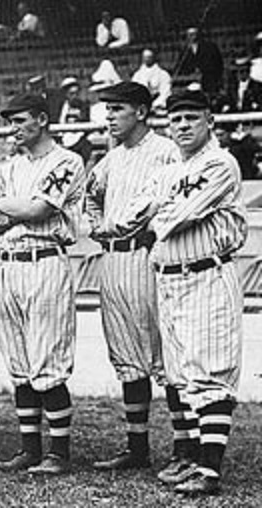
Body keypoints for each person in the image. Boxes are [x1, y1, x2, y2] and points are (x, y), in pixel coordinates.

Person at [143, 90, 246, 495]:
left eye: (191, 118)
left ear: (210, 122)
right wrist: (152, 211)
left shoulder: (220, 163)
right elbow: (135, 213)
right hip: (169, 276)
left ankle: (209, 469)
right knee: (181, 373)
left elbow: (171, 218)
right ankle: (193, 460)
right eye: (176, 120)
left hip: (206, 272)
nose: (183, 126)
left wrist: (154, 211)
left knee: (210, 370)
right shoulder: (169, 169)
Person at [0, 94, 87, 475]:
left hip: (44, 262)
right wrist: (18, 208)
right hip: (7, 265)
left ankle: (58, 453)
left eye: (20, 120)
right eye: (9, 122)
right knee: (20, 363)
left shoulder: (66, 160)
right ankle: (29, 449)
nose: (13, 129)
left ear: (42, 120)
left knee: (48, 360)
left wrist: (11, 208)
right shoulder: (7, 167)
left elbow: (39, 211)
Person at [82, 82, 182, 471]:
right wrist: (96, 225)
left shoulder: (166, 151)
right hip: (113, 260)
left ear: (141, 112)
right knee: (126, 357)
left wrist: (154, 229)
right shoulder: (111, 158)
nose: (109, 117)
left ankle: (183, 447)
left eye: (117, 109)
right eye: (107, 110)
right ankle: (136, 447)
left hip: (146, 256)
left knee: (164, 354)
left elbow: (175, 201)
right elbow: (91, 195)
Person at [174, 27, 224, 94]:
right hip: (191, 82)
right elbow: (181, 66)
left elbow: (218, 64)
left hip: (208, 81)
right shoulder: (184, 51)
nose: (192, 36)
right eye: (190, 34)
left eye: (194, 34)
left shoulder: (210, 47)